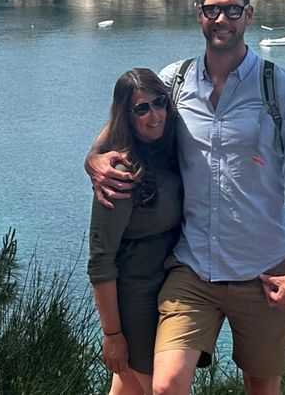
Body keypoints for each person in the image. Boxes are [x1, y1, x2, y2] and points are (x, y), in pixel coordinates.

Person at [88, 0, 285, 395]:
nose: (222, 19)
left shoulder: (280, 89)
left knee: (262, 388)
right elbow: (125, 115)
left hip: (265, 270)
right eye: (213, 10)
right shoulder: (175, 82)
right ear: (199, 15)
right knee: (166, 387)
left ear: (248, 15)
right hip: (193, 268)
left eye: (232, 10)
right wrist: (93, 157)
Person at [88, 68, 183, 395]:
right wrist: (112, 335)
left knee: (130, 388)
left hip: (168, 290)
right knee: (156, 386)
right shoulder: (119, 173)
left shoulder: (168, 149)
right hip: (136, 300)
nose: (154, 114)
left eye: (159, 103)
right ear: (126, 116)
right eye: (142, 108)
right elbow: (100, 261)